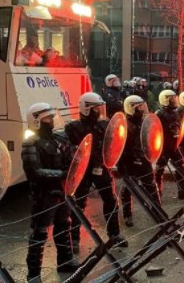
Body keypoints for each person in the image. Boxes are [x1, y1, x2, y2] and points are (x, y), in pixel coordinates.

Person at [21, 103, 79, 281]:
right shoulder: (31, 143)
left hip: (62, 190)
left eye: (52, 117)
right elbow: (34, 172)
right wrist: (62, 174)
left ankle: (65, 260)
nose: (51, 120)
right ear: (36, 120)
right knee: (39, 232)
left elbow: (69, 159)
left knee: (64, 225)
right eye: (47, 118)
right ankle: (34, 273)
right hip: (44, 194)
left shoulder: (58, 139)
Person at [65, 93, 128, 253]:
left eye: (100, 108)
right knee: (78, 203)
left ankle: (114, 234)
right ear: (86, 109)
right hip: (83, 170)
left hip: (101, 166)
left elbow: (113, 143)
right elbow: (70, 151)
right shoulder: (73, 127)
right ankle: (74, 239)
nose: (99, 112)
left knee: (111, 200)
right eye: (95, 109)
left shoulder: (104, 124)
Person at [118, 95, 161, 227]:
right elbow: (119, 147)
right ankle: (127, 215)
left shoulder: (144, 122)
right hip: (129, 161)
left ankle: (158, 212)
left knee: (151, 186)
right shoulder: (124, 125)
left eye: (143, 106)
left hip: (143, 158)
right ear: (130, 108)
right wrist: (123, 165)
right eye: (139, 107)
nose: (142, 109)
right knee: (128, 189)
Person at [154, 90, 184, 201]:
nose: (174, 100)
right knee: (159, 170)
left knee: (181, 167)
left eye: (174, 98)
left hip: (174, 145)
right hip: (164, 146)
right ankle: (157, 193)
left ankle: (182, 193)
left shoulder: (175, 112)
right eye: (171, 99)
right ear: (165, 100)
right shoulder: (159, 114)